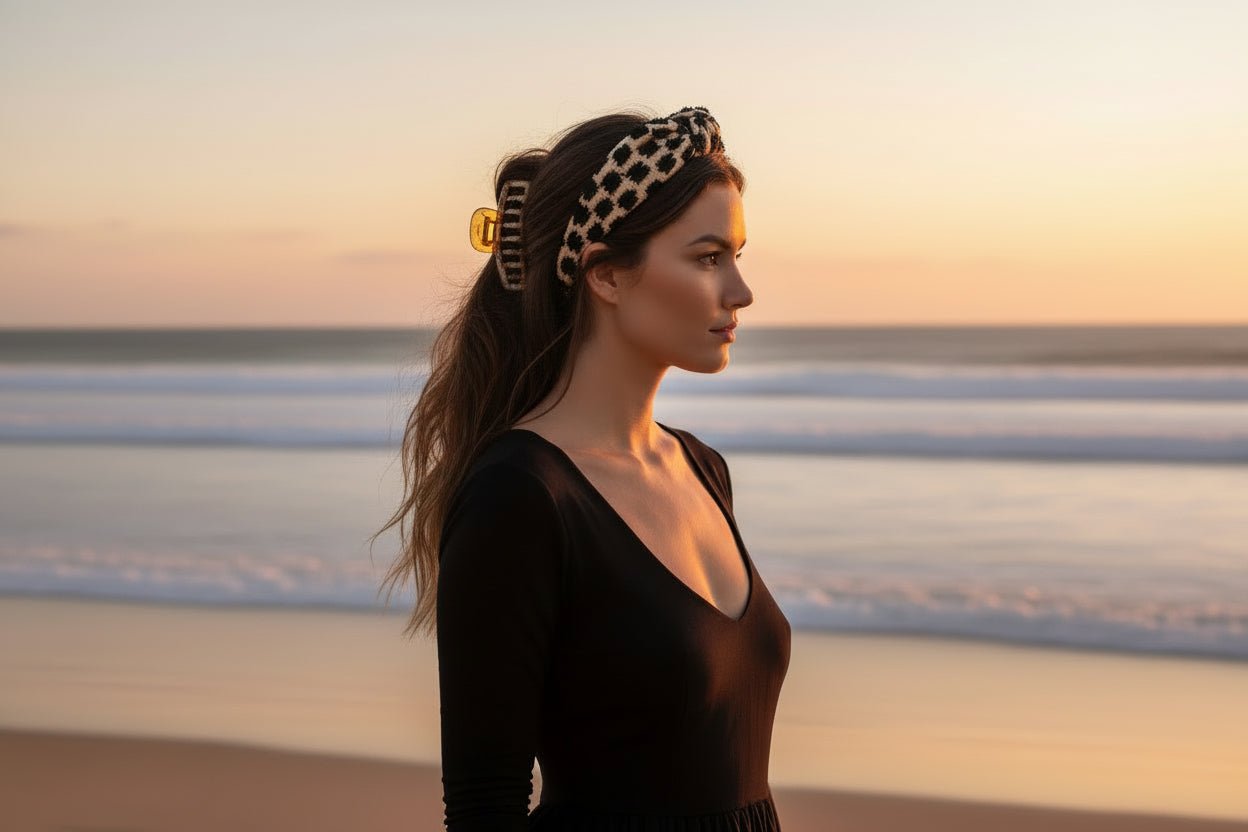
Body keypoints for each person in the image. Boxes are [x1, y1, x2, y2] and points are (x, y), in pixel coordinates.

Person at [373, 105, 792, 831]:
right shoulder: (520, 496)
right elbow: (484, 808)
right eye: (706, 258)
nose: (739, 292)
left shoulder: (702, 468)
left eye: (737, 255)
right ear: (606, 274)